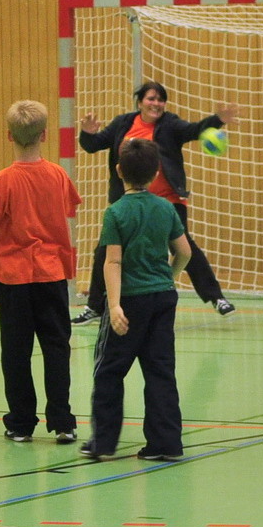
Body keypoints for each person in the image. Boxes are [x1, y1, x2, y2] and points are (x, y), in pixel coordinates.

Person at [0, 100, 81, 444]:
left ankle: (22, 424)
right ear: (44, 135)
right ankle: (63, 421)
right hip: (52, 275)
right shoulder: (58, 175)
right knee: (57, 349)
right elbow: (66, 215)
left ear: (9, 136)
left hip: (14, 280)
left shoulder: (3, 181)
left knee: (15, 352)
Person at [75, 81, 237, 322]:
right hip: (130, 201)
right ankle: (95, 307)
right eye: (151, 98)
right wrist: (88, 133)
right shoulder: (123, 123)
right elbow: (92, 145)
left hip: (167, 201)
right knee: (105, 250)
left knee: (185, 247)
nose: (157, 104)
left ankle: (216, 297)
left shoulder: (170, 124)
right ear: (140, 102)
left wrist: (217, 120)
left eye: (161, 100)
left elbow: (194, 130)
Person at [82, 138, 191, 462]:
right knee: (160, 371)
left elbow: (113, 261)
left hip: (130, 301)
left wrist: (114, 305)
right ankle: (166, 444)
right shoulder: (166, 208)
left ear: (119, 171)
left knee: (109, 371)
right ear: (156, 172)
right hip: (162, 298)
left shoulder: (116, 212)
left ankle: (103, 443)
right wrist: (167, 277)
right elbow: (184, 252)